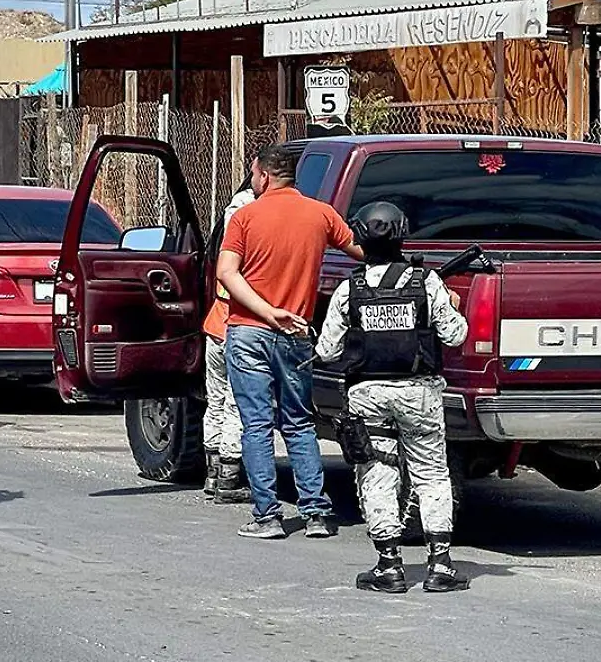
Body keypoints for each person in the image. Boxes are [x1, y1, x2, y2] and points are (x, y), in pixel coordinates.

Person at [313, 201, 470, 593]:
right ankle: (440, 565)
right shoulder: (426, 282)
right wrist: (452, 305)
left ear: (360, 239)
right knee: (432, 474)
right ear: (402, 235)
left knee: (377, 471)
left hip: (368, 394)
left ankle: (388, 565)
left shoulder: (350, 289)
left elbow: (328, 351)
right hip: (419, 394)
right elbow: (455, 335)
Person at [217, 144, 364, 540]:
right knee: (299, 423)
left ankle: (267, 516)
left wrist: (266, 312)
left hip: (249, 331)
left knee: (257, 425)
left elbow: (226, 273)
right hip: (296, 332)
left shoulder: (245, 216)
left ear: (263, 175)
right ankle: (315, 513)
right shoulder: (321, 214)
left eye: (253, 174)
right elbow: (364, 250)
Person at [201, 185, 255, 504]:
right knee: (236, 402)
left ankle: (212, 471)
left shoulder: (225, 239)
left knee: (217, 399)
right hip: (237, 327)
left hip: (216, 325)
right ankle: (229, 477)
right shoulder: (248, 243)